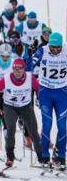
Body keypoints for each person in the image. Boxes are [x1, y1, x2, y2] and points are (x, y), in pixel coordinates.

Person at [0, 58, 42, 168]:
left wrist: (40, 99)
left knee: (33, 130)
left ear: (24, 70)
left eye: (20, 70)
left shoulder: (30, 77)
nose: (17, 72)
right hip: (10, 106)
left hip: (26, 106)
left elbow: (39, 89)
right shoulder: (6, 79)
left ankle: (41, 156)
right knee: (10, 128)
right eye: (15, 69)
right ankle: (10, 156)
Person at [31, 32, 67, 169]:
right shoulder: (43, 50)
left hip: (62, 93)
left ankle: (61, 156)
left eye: (58, 47)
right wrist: (31, 55)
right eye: (53, 47)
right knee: (47, 125)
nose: (56, 50)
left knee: (63, 127)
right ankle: (44, 156)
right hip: (45, 92)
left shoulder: (65, 51)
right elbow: (29, 67)